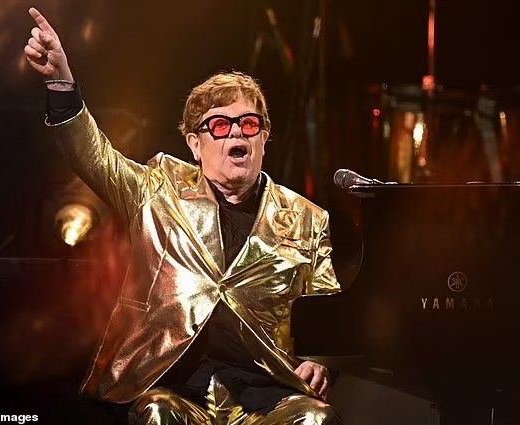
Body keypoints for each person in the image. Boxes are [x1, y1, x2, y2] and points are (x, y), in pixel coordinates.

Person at [24, 7, 342, 424]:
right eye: (220, 126)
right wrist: (61, 83)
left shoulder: (307, 219)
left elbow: (328, 315)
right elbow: (95, 159)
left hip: (268, 396)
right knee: (158, 414)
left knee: (316, 419)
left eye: (248, 124)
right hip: (176, 388)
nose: (236, 133)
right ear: (194, 144)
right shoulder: (158, 190)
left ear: (264, 138)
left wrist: (322, 361)